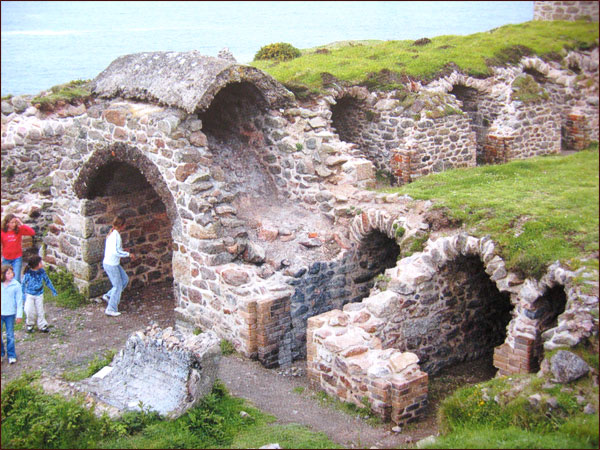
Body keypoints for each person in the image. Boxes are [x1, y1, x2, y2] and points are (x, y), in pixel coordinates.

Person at [102, 216, 135, 317]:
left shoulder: (113, 233)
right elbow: (116, 252)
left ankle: (109, 296)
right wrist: (128, 254)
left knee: (124, 280)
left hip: (113, 263)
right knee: (118, 286)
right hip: (111, 264)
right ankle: (111, 308)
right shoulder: (115, 236)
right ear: (122, 225)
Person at [21, 255, 57, 333]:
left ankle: (42, 325)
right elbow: (23, 284)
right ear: (35, 264)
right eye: (40, 262)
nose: (42, 263)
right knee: (29, 310)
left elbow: (47, 281)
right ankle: (30, 324)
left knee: (40, 310)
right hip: (30, 294)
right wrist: (23, 295)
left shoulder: (42, 271)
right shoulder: (28, 273)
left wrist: (53, 290)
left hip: (39, 294)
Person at [1, 213, 36, 283]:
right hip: (6, 258)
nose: (14, 224)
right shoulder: (2, 232)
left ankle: (17, 293)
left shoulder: (19, 230)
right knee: (4, 278)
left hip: (17, 258)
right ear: (7, 223)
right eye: (12, 222)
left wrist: (21, 224)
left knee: (16, 279)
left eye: (15, 222)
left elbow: (32, 232)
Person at [1, 265, 23, 364]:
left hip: (10, 313)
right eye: (8, 273)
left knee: (10, 335)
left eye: (11, 272)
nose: (11, 275)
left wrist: (19, 315)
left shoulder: (16, 285)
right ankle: (1, 353)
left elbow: (19, 301)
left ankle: (11, 354)